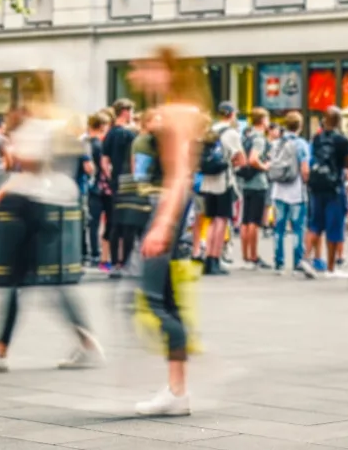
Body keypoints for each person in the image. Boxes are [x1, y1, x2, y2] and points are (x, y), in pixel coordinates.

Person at [0, 97, 102, 374]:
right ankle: (86, 344)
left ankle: (0, 352)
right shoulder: (50, 127)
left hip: (33, 209)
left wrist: (3, 179)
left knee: (16, 283)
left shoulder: (35, 128)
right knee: (42, 285)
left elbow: (32, 166)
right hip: (44, 207)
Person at [127, 48, 205, 416]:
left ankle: (177, 391)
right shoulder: (179, 110)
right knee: (164, 298)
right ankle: (177, 390)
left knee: (156, 300)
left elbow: (179, 176)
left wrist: (162, 224)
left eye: (145, 67)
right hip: (170, 212)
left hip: (167, 211)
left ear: (165, 71)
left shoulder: (174, 113)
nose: (137, 73)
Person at [196, 102, 245, 276]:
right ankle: (215, 258)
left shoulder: (211, 129)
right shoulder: (231, 133)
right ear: (231, 114)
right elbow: (241, 159)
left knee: (210, 219)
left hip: (207, 180)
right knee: (221, 220)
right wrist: (233, 164)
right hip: (223, 181)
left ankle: (208, 259)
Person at [306, 107, 348, 277]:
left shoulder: (317, 138)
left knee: (315, 224)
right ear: (339, 121)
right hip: (334, 187)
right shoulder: (342, 140)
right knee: (334, 227)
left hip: (317, 185)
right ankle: (331, 268)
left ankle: (306, 259)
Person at [268, 111, 311, 275]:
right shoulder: (301, 144)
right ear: (300, 126)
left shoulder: (276, 143)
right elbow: (305, 169)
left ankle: (279, 262)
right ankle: (297, 262)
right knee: (297, 228)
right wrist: (306, 181)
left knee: (278, 228)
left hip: (278, 190)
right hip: (296, 191)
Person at [102, 100, 139, 276]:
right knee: (129, 223)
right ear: (125, 111)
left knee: (115, 222)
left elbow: (104, 160)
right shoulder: (130, 134)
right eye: (131, 111)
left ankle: (115, 262)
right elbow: (134, 160)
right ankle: (126, 261)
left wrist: (111, 177)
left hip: (116, 181)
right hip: (130, 181)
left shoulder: (110, 133)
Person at [238, 107, 272, 269]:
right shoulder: (259, 138)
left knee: (245, 220)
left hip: (246, 182)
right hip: (258, 182)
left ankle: (245, 255)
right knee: (254, 221)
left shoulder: (247, 136)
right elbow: (253, 159)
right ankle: (253, 256)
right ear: (263, 120)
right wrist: (265, 167)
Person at [82, 112, 112, 267]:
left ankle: (92, 252)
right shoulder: (100, 145)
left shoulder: (85, 143)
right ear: (102, 127)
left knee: (92, 223)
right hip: (102, 187)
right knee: (105, 222)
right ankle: (98, 253)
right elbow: (103, 166)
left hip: (91, 187)